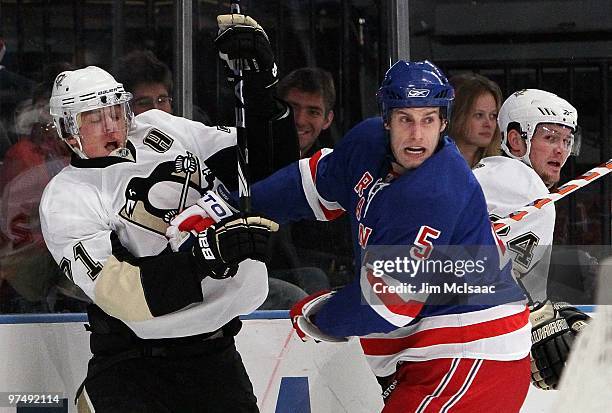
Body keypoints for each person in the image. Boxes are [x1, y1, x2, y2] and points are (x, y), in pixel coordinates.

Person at [39, 14, 292, 412]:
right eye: (93, 118)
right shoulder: (66, 197)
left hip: (216, 354)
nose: (111, 127)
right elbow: (122, 295)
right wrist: (207, 254)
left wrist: (261, 86)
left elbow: (260, 166)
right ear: (68, 129)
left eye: (116, 113)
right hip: (136, 366)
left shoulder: (160, 128)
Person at [246, 60, 532, 412]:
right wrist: (234, 207)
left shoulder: (435, 190)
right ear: (386, 120)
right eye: (405, 119)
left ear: (444, 123)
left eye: (428, 119)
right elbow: (307, 188)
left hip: (470, 354)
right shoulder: (367, 143)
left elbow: (389, 305)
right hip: (426, 358)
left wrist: (322, 316)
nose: (416, 134)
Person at [470, 89, 591, 390]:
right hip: (459, 346)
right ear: (516, 140)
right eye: (550, 138)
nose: (561, 150)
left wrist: (543, 310)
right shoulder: (522, 186)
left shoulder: (495, 173)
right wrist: (538, 316)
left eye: (566, 140)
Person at [113, 49, 212, 124]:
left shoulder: (193, 127)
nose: (156, 109)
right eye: (144, 103)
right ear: (124, 109)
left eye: (162, 100)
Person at [448, 72, 503, 167]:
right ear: (457, 115)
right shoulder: (434, 167)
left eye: (493, 115)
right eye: (479, 115)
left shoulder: (501, 167)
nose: (488, 124)